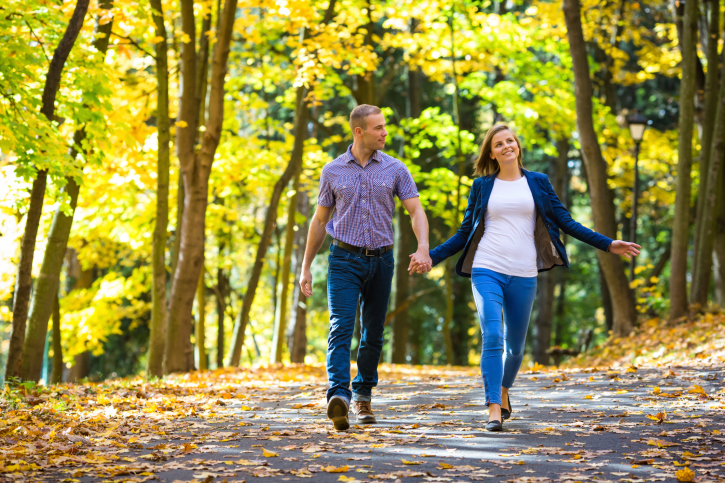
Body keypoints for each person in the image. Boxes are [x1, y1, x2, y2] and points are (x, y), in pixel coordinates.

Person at [410, 124, 640, 431]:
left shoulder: (538, 182)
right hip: (486, 267)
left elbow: (566, 222)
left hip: (524, 272)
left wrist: (608, 244)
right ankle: (493, 407)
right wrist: (430, 255)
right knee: (493, 336)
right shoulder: (482, 186)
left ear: (518, 146)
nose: (506, 146)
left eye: (510, 141)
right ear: (491, 152)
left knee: (516, 349)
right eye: (498, 143)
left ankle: (504, 389)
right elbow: (464, 234)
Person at [299, 104, 432, 431]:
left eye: (384, 127)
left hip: (382, 260)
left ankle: (362, 396)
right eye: (379, 128)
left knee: (373, 332)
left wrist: (423, 247)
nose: (385, 132)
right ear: (359, 131)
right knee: (340, 326)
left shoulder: (395, 169)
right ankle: (339, 396)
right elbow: (319, 221)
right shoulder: (332, 171)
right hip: (343, 259)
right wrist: (306, 267)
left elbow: (415, 212)